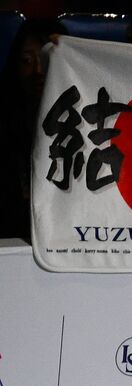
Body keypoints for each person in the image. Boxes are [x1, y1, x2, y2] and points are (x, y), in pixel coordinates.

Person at [0, 17, 65, 241]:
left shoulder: (86, 117)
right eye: (27, 60)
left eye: (47, 58)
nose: (38, 69)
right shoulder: (6, 121)